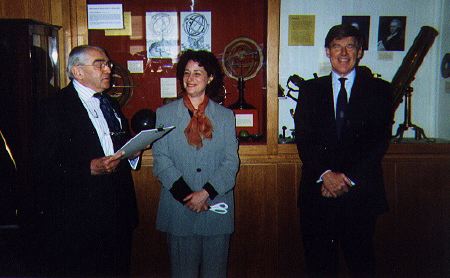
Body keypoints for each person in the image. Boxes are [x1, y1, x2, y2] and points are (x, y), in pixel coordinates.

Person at [294, 24, 393, 277]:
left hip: (359, 196)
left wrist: (343, 179)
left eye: (350, 46)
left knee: (361, 266)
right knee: (319, 267)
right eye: (337, 46)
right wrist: (327, 174)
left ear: (360, 52)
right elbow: (305, 140)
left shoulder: (380, 91)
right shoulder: (310, 90)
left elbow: (378, 142)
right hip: (318, 194)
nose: (343, 52)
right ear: (327, 51)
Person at [34, 45, 139, 277]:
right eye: (99, 64)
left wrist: (132, 152)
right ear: (78, 72)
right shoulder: (53, 108)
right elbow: (42, 166)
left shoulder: (109, 103)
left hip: (118, 213)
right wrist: (88, 168)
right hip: (80, 219)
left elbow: (117, 144)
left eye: (108, 64)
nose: (108, 69)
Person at [152, 49, 239, 278]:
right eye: (186, 73)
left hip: (216, 207)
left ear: (210, 78)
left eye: (197, 73)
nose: (190, 79)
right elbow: (160, 160)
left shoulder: (225, 116)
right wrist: (187, 196)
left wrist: (206, 193)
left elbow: (231, 163)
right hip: (179, 210)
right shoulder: (164, 114)